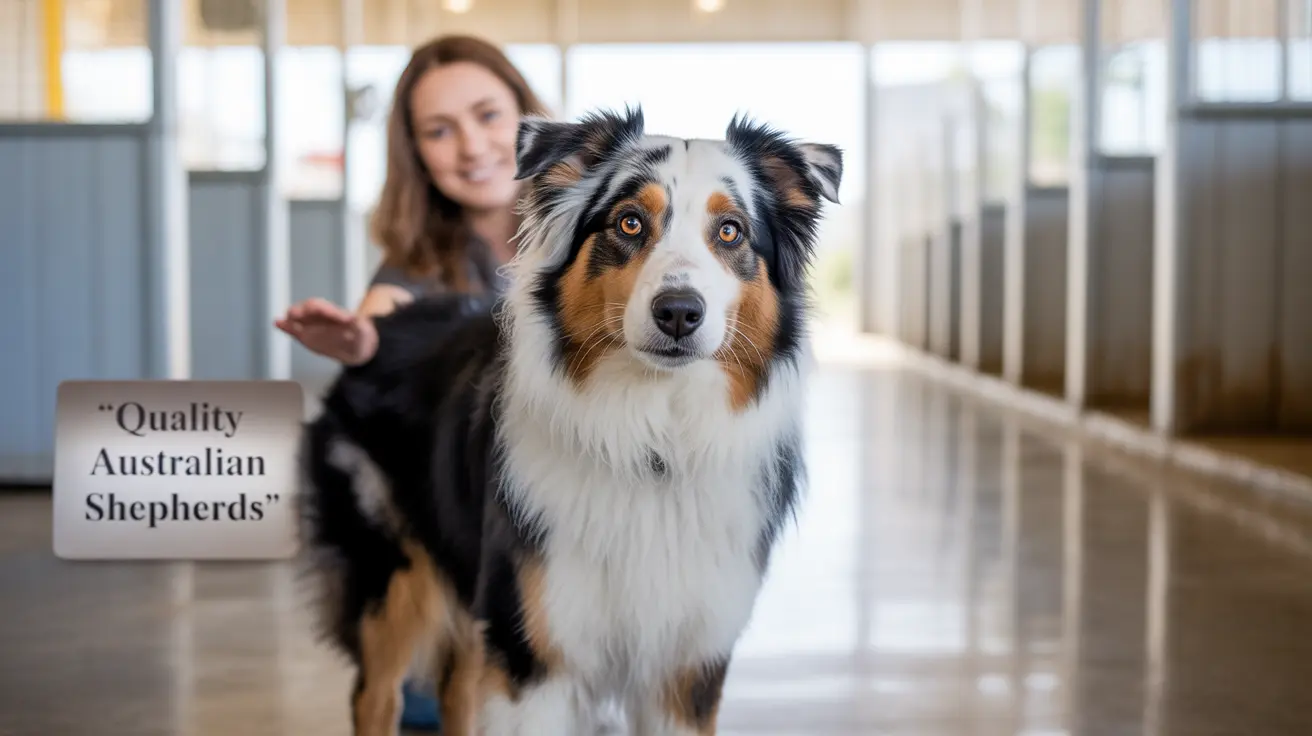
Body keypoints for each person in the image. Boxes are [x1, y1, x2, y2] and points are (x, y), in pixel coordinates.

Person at [274, 34, 551, 730]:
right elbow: (381, 327)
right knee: (433, 681)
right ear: (415, 154)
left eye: (488, 115)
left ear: (527, 112)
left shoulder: (601, 229)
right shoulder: (416, 265)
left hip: (565, 516)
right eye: (439, 130)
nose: (472, 146)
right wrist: (361, 341)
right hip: (456, 517)